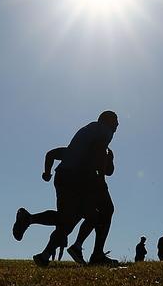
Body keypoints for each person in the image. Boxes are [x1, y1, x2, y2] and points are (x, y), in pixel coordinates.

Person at [16, 111, 119, 267]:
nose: (117, 125)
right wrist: (100, 180)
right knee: (104, 211)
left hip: (63, 177)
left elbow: (53, 154)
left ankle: (31, 224)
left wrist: (47, 173)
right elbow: (98, 155)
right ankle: (92, 253)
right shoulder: (104, 130)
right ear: (109, 121)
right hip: (78, 177)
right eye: (116, 121)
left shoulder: (85, 134)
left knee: (69, 219)